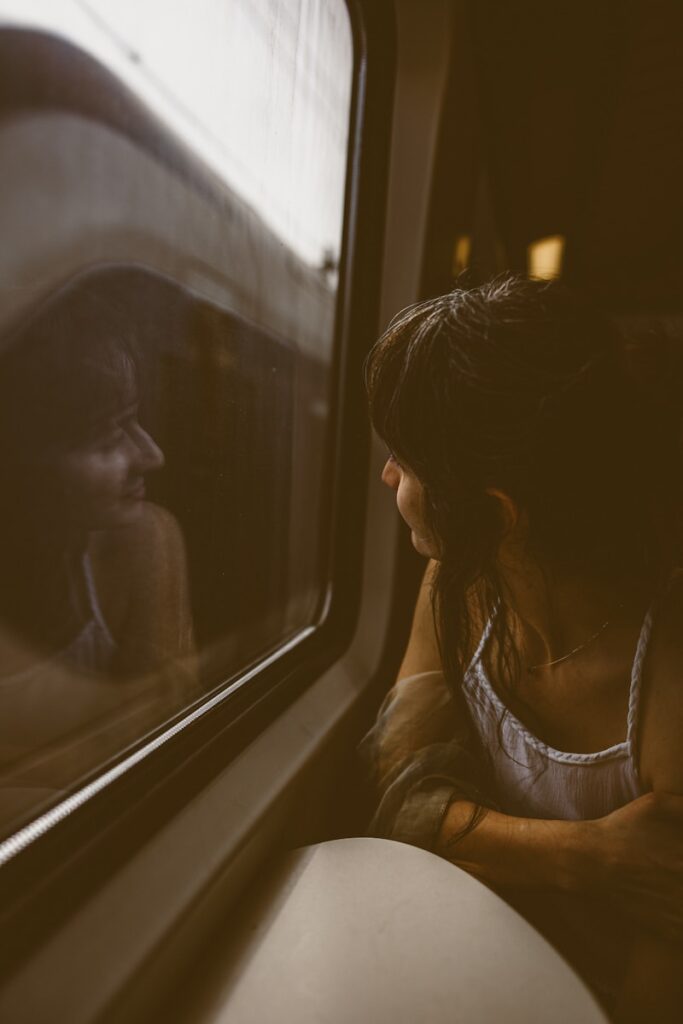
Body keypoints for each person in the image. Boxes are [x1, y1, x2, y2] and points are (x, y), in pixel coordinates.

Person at [362, 275, 683, 1023]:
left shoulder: (667, 645)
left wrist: (480, 838)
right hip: (493, 958)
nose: (387, 476)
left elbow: (664, 938)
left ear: (495, 514)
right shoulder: (457, 581)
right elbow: (397, 790)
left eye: (405, 463)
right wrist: (588, 856)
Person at [0, 280, 195, 823]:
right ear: (20, 466)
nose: (151, 455)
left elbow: (165, 734)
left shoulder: (144, 540)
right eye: (108, 438)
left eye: (134, 420)